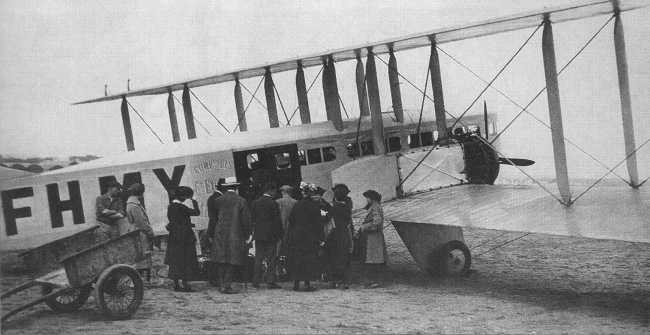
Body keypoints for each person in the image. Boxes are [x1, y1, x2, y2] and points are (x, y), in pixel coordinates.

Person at [208, 177, 252, 294]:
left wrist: (211, 234)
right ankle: (227, 285)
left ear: (225, 188)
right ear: (236, 187)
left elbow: (213, 219)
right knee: (232, 259)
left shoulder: (218, 200)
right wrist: (247, 234)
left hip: (220, 233)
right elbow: (245, 220)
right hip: (235, 233)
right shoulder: (241, 200)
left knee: (221, 258)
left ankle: (222, 283)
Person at [287, 183, 326, 291]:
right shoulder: (314, 205)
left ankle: (296, 283)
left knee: (298, 259)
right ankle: (307, 284)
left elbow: (291, 219)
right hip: (310, 236)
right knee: (309, 259)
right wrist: (321, 237)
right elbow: (318, 223)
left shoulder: (297, 204)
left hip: (297, 235)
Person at [164, 186, 200, 292]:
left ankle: (176, 284)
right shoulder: (182, 207)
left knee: (175, 261)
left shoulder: (171, 206)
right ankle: (185, 284)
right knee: (186, 260)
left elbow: (175, 221)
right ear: (182, 196)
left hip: (174, 236)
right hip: (185, 237)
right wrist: (194, 201)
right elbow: (197, 212)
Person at [250, 185, 283, 289]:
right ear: (270, 190)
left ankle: (256, 280)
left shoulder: (255, 202)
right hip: (271, 235)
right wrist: (280, 234)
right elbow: (277, 221)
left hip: (259, 234)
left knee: (258, 257)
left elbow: (253, 218)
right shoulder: (273, 203)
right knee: (271, 258)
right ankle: (270, 281)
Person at [324, 184, 353, 289]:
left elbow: (327, 217)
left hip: (334, 233)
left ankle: (334, 279)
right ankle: (342, 280)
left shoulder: (333, 206)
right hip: (344, 232)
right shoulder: (347, 204)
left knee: (333, 256)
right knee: (343, 256)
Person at [125, 183, 154, 282]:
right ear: (141, 193)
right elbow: (141, 222)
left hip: (137, 232)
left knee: (141, 257)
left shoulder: (132, 203)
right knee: (142, 257)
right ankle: (140, 280)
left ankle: (141, 280)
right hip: (140, 233)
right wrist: (150, 232)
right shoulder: (134, 205)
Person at [358, 189, 387, 288]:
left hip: (373, 237)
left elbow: (377, 221)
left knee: (373, 259)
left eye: (367, 198)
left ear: (371, 198)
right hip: (375, 236)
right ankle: (375, 280)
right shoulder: (377, 206)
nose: (366, 200)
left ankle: (374, 281)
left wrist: (365, 227)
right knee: (375, 259)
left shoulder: (374, 207)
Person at [205, 178, 225, 286]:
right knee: (218, 255)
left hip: (213, 229)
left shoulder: (213, 197)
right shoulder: (219, 199)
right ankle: (214, 278)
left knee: (215, 255)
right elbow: (214, 218)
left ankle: (214, 278)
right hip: (217, 230)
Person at [275, 185, 297, 257]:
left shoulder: (277, 202)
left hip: (280, 227)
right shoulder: (295, 202)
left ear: (282, 192)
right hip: (292, 227)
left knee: (279, 249)